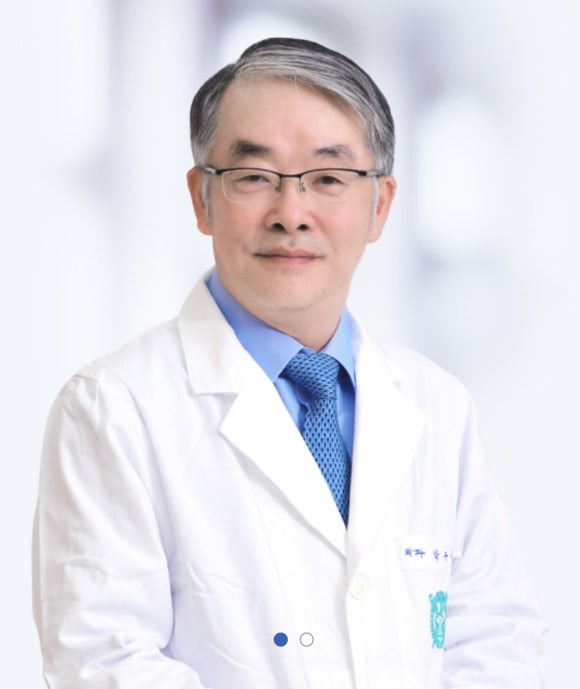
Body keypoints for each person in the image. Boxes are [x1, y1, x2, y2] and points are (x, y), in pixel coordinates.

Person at [33, 37, 547, 689]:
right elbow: (102, 663)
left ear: (381, 205)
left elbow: (495, 639)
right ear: (201, 198)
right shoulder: (114, 409)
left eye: (328, 178)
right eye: (254, 176)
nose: (291, 214)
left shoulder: (438, 406)